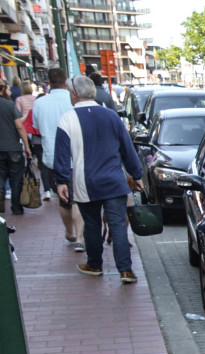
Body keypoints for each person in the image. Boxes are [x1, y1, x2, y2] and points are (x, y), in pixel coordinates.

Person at [53, 75, 144, 284]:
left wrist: (61, 181)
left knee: (92, 224)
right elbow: (127, 148)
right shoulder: (112, 116)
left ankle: (94, 264)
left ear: (74, 94)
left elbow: (61, 154)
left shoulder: (67, 118)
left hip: (86, 182)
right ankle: (125, 270)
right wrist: (136, 174)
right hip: (114, 181)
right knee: (118, 225)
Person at [32, 68, 81, 246]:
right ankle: (81, 237)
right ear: (66, 81)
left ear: (49, 82)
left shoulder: (40, 102)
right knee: (78, 197)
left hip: (51, 156)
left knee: (64, 198)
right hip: (75, 155)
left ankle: (69, 232)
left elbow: (36, 125)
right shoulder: (72, 99)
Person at [0, 79, 31, 216]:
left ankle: (0, 192)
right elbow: (19, 126)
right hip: (13, 147)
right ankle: (17, 207)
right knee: (16, 178)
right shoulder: (9, 105)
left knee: (0, 175)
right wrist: (26, 145)